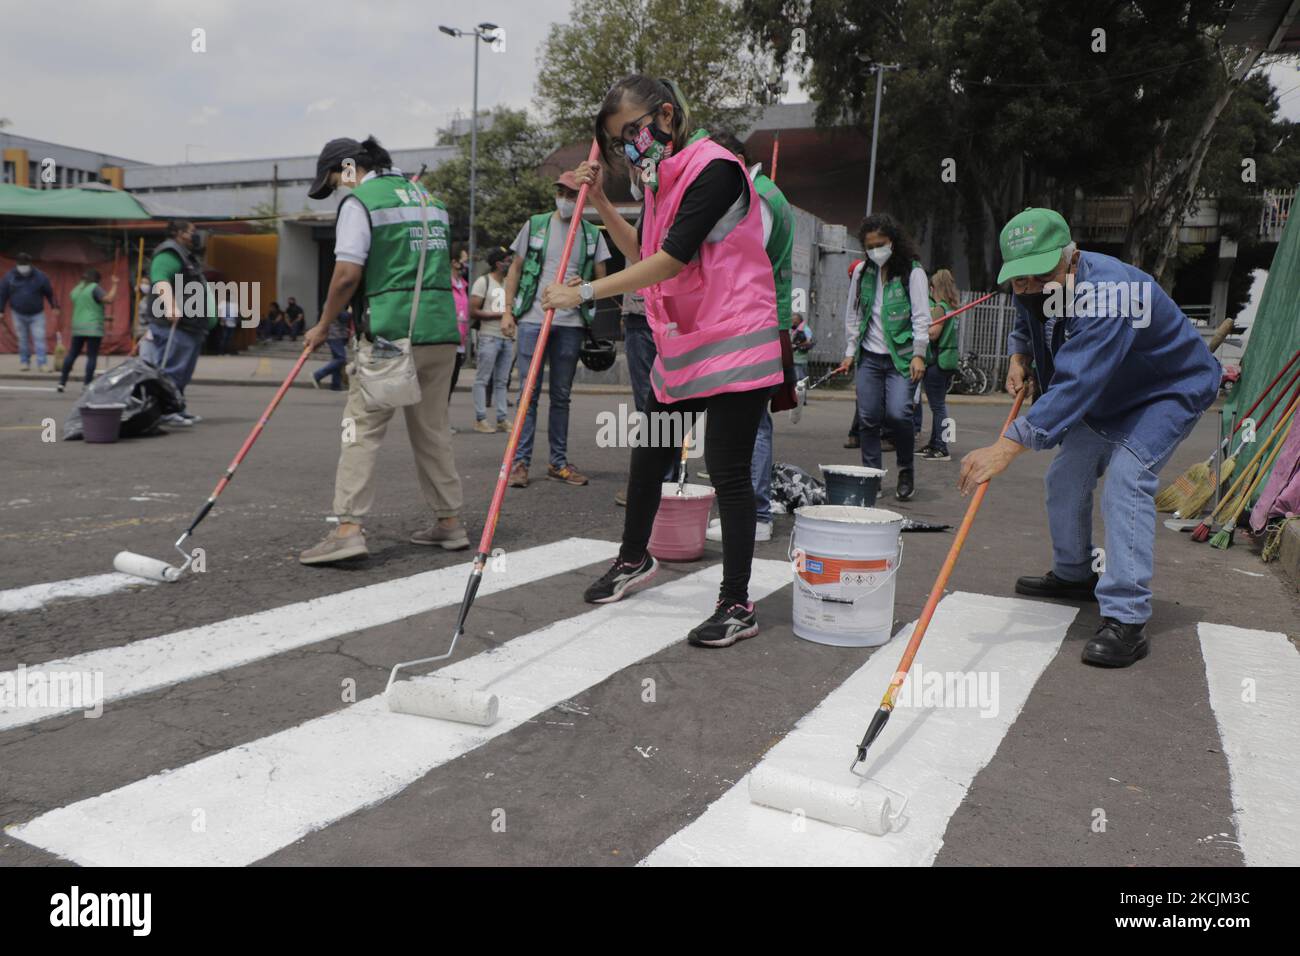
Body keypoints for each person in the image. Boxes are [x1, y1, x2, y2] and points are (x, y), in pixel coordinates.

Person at [554, 75, 782, 647]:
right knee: (650, 450)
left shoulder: (715, 168)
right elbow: (644, 252)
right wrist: (605, 202)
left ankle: (737, 603)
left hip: (735, 337)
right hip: (684, 341)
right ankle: (634, 558)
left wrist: (584, 294)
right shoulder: (660, 179)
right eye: (619, 138)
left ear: (666, 114)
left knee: (728, 471)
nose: (630, 144)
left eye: (634, 129)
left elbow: (672, 262)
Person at [957, 208, 1220, 668]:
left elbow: (1076, 384)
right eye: (1020, 281)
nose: (1031, 288)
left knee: (1126, 479)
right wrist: (1019, 355)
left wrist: (1006, 446)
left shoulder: (1113, 295)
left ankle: (1126, 618)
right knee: (1066, 475)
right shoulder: (1033, 282)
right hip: (1111, 389)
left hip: (1166, 389)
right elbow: (1029, 317)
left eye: (1042, 277)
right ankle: (1075, 575)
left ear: (1071, 257)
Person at [298, 135, 468, 564]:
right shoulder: (430, 200)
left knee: (360, 430)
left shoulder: (362, 202)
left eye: (336, 179)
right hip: (442, 331)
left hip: (392, 335)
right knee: (432, 431)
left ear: (350, 167)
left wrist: (322, 325)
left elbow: (346, 275)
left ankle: (349, 529)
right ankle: (449, 524)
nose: (339, 188)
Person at [704, 130, 796, 544]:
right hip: (755, 319)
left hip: (752, 321)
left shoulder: (758, 198)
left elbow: (741, 260)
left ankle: (754, 513)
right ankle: (750, 510)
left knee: (752, 422)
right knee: (747, 420)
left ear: (736, 160)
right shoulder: (759, 192)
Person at [502, 169, 611, 488]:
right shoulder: (535, 225)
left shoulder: (592, 234)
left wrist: (585, 286)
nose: (564, 199)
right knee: (527, 394)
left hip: (571, 323)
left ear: (582, 198)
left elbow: (602, 281)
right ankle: (520, 462)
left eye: (571, 194)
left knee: (561, 396)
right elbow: (514, 271)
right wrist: (507, 312)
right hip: (533, 320)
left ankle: (558, 462)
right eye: (561, 192)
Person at [833, 215, 929, 501]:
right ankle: (871, 476)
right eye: (870, 246)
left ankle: (905, 469)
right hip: (870, 359)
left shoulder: (913, 273)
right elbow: (853, 314)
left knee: (899, 414)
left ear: (893, 242)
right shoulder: (863, 272)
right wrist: (850, 353)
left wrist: (919, 355)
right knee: (868, 418)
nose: (876, 250)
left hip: (901, 359)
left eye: (881, 244)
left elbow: (921, 317)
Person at [145, 219, 210, 426]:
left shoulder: (186, 255)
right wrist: (171, 306)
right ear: (179, 233)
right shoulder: (169, 253)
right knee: (171, 369)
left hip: (190, 326)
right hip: (174, 325)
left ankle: (177, 407)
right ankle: (164, 411)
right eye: (192, 231)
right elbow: (160, 279)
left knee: (181, 372)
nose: (195, 235)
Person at [913, 268, 960, 461]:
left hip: (938, 361)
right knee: (938, 405)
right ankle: (934, 443)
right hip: (947, 360)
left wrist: (921, 327)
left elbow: (933, 334)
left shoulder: (940, 307)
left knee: (938, 406)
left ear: (935, 287)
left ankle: (941, 447)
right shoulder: (951, 306)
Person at [470, 246, 515, 433]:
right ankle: (480, 418)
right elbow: (473, 310)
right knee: (482, 379)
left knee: (502, 381)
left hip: (507, 338)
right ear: (498, 263)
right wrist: (499, 315)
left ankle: (502, 419)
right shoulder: (483, 282)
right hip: (489, 337)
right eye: (507, 261)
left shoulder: (509, 283)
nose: (510, 264)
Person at [58, 268, 118, 392]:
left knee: (72, 354)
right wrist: (115, 284)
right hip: (93, 328)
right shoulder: (94, 288)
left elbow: (87, 308)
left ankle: (62, 382)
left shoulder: (77, 290)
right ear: (96, 279)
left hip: (78, 326)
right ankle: (86, 385)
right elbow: (108, 299)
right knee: (91, 356)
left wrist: (104, 317)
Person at [0, 253, 60, 372]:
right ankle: (24, 362)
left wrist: (54, 306)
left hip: (37, 314)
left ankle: (42, 363)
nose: (23, 267)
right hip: (18, 313)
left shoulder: (40, 276)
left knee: (39, 338)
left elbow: (49, 293)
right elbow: (2, 294)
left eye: (25, 265)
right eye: (21, 265)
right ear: (17, 264)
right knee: (23, 339)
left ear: (30, 264)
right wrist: (0, 310)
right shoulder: (9, 277)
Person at [312, 306, 350, 391]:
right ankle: (317, 375)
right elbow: (343, 317)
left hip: (335, 334)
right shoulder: (337, 301)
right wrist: (349, 312)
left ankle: (336, 385)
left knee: (337, 360)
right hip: (335, 335)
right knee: (341, 359)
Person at [791, 311, 813, 383]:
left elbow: (809, 342)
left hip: (800, 360)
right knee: (796, 379)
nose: (793, 322)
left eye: (795, 320)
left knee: (800, 380)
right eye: (792, 320)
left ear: (799, 320)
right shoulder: (795, 329)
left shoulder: (806, 329)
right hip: (794, 359)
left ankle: (800, 393)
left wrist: (796, 346)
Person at [217, 286, 240, 354]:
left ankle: (227, 352)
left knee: (229, 339)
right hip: (224, 323)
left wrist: (236, 320)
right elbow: (219, 313)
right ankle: (221, 352)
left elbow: (237, 314)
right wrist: (221, 319)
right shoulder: (222, 303)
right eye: (228, 295)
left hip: (232, 324)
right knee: (224, 338)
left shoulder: (235, 305)